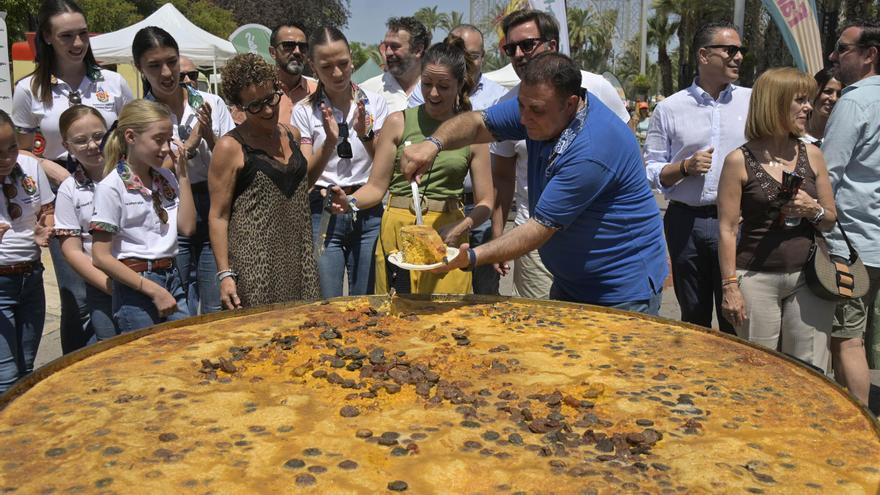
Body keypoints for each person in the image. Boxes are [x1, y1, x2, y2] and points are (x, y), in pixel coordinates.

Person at [402, 53, 668, 313]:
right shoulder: (536, 104)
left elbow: (538, 228)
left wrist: (470, 257)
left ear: (570, 103)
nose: (523, 119)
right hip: (570, 283)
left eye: (536, 111)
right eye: (521, 106)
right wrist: (433, 144)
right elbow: (477, 123)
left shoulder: (591, 149)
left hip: (621, 292)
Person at [11, 0, 132, 353]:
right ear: (47, 37)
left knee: (119, 281)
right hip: (62, 198)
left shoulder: (113, 82)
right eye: (67, 36)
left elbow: (129, 135)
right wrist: (52, 168)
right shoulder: (29, 89)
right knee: (78, 297)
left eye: (82, 34)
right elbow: (19, 150)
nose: (77, 43)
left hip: (113, 193)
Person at [330, 37, 493, 295]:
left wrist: (461, 227)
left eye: (443, 86)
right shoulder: (398, 121)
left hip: (447, 234)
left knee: (447, 319)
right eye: (427, 84)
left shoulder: (473, 130)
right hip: (399, 232)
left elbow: (486, 202)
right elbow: (375, 187)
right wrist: (349, 202)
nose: (433, 93)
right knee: (400, 317)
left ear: (460, 84)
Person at [489, 9, 629, 300]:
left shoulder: (597, 88)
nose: (518, 54)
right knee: (543, 333)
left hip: (600, 239)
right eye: (510, 48)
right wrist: (498, 237)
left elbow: (629, 159)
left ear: (552, 45)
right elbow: (502, 177)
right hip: (532, 241)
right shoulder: (507, 103)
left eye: (527, 45)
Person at [717, 67, 838, 372]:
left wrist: (813, 209)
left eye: (808, 100)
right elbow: (727, 229)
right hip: (756, 278)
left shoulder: (812, 154)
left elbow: (830, 219)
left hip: (809, 278)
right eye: (800, 100)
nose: (808, 107)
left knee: (810, 371)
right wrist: (730, 287)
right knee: (757, 372)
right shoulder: (738, 160)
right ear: (775, 103)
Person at [644, 21, 751, 333]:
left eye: (741, 50)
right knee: (693, 319)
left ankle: (735, 379)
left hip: (740, 223)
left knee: (738, 317)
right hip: (686, 223)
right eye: (730, 50)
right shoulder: (669, 108)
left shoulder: (753, 101)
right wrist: (684, 167)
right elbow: (651, 170)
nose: (739, 57)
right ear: (704, 55)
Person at [132, 27, 236, 316]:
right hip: (168, 206)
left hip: (213, 201)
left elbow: (231, 160)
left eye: (172, 62)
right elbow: (147, 169)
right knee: (179, 302)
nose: (167, 73)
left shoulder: (210, 103)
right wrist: (189, 146)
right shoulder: (142, 114)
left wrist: (211, 138)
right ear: (139, 68)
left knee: (216, 300)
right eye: (154, 66)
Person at [209, 53, 320, 308]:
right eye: (256, 105)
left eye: (271, 99)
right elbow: (218, 216)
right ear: (239, 107)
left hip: (299, 258)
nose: (268, 110)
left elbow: (303, 185)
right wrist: (225, 274)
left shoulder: (292, 134)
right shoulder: (230, 147)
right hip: (255, 268)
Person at [293, 27, 389, 298]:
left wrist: (365, 134)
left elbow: (384, 165)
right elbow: (305, 180)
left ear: (352, 60)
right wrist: (329, 144)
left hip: (367, 208)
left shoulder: (374, 104)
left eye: (343, 64)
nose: (337, 73)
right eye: (326, 66)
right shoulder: (305, 111)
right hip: (322, 211)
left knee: (368, 300)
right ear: (313, 66)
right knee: (328, 302)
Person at [91, 100, 194, 332]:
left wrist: (183, 176)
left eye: (169, 140)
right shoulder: (112, 187)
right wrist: (152, 289)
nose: (167, 148)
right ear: (130, 137)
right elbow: (100, 256)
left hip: (171, 275)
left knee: (184, 352)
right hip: (136, 284)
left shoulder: (165, 177)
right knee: (149, 360)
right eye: (159, 140)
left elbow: (187, 227)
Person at [821, 20, 880, 405]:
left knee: (847, 339)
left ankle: (858, 425)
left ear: (869, 55)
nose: (833, 56)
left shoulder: (855, 100)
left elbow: (827, 175)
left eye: (842, 48)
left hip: (853, 245)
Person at [449, 24, 507, 296]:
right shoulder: (428, 91)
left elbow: (506, 167)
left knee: (484, 294)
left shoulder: (499, 97)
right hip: (443, 207)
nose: (469, 62)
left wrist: (498, 231)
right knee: (443, 294)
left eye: (475, 55)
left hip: (483, 206)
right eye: (462, 54)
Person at [52, 105, 118, 343]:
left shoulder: (133, 173)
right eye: (81, 140)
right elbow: (72, 250)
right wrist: (109, 286)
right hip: (101, 285)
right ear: (66, 147)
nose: (92, 146)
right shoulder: (69, 190)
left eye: (98, 136)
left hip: (145, 277)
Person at [0, 110, 54, 393]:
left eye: (11, 148)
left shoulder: (30, 167)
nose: (8, 158)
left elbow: (47, 210)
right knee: (6, 374)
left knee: (26, 368)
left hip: (31, 277)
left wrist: (46, 227)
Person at [361, 17, 430, 112]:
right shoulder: (367, 91)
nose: (388, 52)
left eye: (395, 46)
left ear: (418, 50)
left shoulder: (439, 90)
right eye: (386, 46)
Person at [803, 68, 842, 146]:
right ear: (813, 91)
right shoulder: (793, 134)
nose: (834, 98)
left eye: (839, 94)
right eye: (828, 91)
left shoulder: (843, 134)